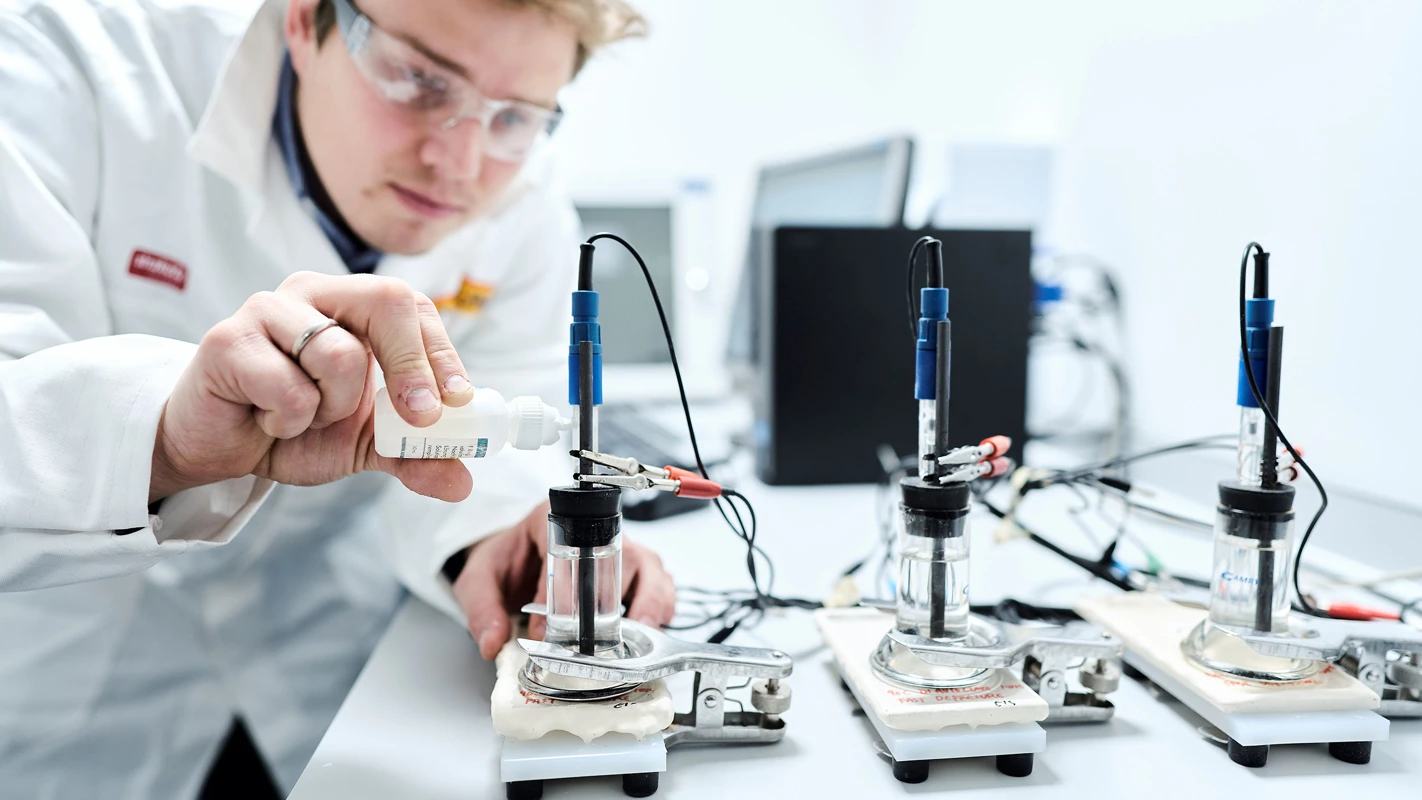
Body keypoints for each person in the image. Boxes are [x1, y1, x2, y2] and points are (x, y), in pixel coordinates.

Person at [0, 0, 676, 796]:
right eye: (420, 78)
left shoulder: (522, 196)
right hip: (67, 662)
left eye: (514, 117)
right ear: (302, 22)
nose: (458, 163)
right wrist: (166, 440)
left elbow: (498, 433)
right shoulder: (70, 60)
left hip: (322, 636)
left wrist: (494, 537)